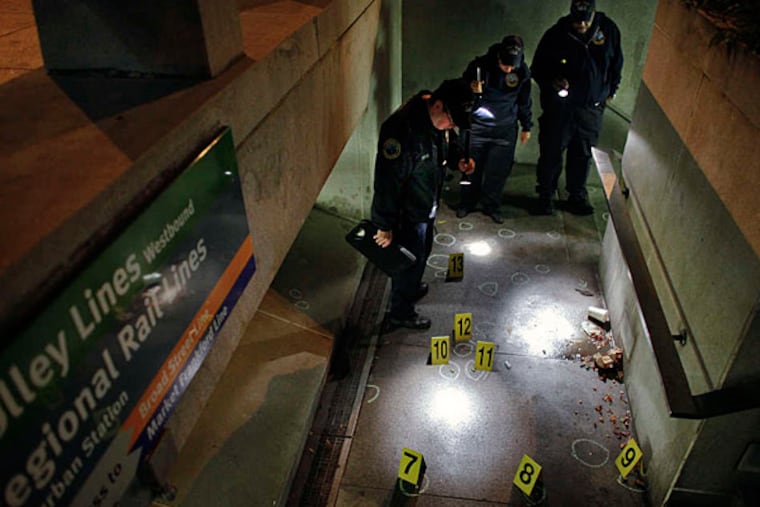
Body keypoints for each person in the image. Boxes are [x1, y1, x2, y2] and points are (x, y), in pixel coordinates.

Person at [371, 78, 475, 331]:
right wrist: (383, 224)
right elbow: (387, 182)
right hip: (408, 214)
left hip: (426, 204)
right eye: (451, 119)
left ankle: (412, 287)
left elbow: (447, 141)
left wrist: (459, 158)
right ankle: (400, 312)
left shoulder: (437, 121)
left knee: (422, 253)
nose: (451, 126)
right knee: (408, 262)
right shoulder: (401, 132)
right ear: (438, 106)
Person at [531, 0, 623, 215]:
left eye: (585, 21)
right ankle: (546, 195)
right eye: (576, 21)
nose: (580, 25)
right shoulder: (557, 33)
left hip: (591, 108)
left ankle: (576, 196)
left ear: (593, 15)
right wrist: (553, 81)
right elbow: (537, 68)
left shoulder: (609, 30)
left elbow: (616, 63)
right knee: (552, 152)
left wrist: (610, 91)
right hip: (561, 109)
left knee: (582, 154)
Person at [459, 35, 533, 224]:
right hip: (477, 126)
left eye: (512, 66)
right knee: (470, 167)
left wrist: (526, 126)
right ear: (498, 56)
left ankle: (491, 205)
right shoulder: (479, 66)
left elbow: (524, 101)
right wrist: (470, 88)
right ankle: (467, 202)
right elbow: (458, 91)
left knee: (497, 171)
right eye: (505, 64)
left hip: (505, 128)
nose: (508, 69)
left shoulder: (522, 72)